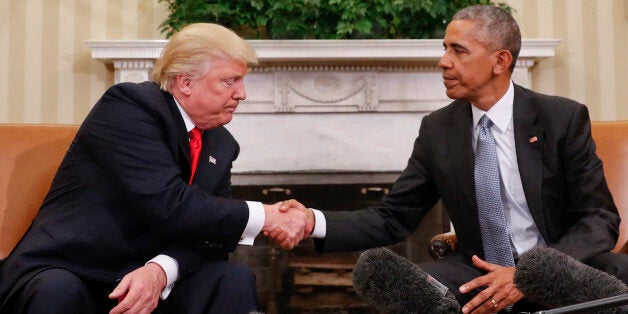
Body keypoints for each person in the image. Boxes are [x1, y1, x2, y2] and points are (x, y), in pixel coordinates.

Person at [274, 5, 628, 314]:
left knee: (616, 275)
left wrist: (531, 275)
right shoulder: (438, 130)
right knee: (404, 283)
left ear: (500, 61)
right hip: (478, 273)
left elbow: (599, 218)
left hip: (557, 266)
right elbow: (393, 217)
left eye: (458, 51)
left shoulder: (560, 118)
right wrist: (311, 222)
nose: (444, 61)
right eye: (445, 49)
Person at [0, 23, 309, 314]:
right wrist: (266, 215)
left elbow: (214, 238)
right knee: (57, 289)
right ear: (185, 82)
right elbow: (169, 203)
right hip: (73, 265)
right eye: (230, 81)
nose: (242, 94)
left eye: (241, 82)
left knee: (232, 278)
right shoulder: (130, 106)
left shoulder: (223, 144)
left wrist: (160, 270)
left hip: (146, 274)